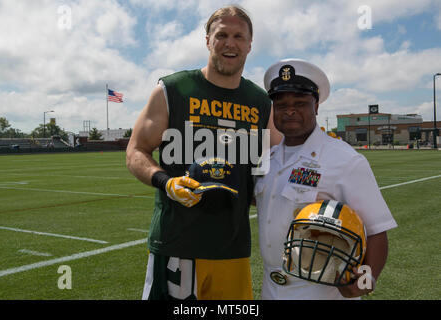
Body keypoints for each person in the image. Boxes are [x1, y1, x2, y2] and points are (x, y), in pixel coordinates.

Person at [126, 5, 281, 300]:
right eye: (221, 35)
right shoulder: (172, 89)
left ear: (250, 44)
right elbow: (136, 151)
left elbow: (275, 163)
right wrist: (165, 182)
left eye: (239, 36)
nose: (230, 43)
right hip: (178, 244)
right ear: (207, 40)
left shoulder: (261, 103)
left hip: (233, 248)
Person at [254, 58, 398, 300]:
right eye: (281, 104)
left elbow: (376, 230)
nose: (290, 111)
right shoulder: (268, 159)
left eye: (300, 103)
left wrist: (366, 279)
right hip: (271, 287)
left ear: (316, 106)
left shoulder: (344, 160)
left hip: (322, 291)